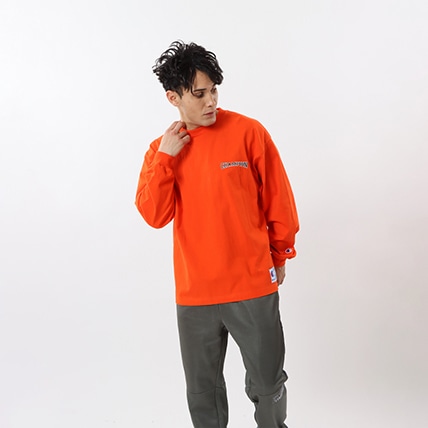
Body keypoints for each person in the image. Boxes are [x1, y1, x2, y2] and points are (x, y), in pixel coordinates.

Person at [135, 40, 299, 428]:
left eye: (214, 91)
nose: (211, 101)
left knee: (268, 383)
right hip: (195, 293)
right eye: (199, 94)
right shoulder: (161, 151)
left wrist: (279, 255)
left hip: (252, 285)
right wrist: (166, 159)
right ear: (173, 97)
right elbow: (154, 215)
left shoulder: (248, 132)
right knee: (202, 393)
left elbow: (279, 201)